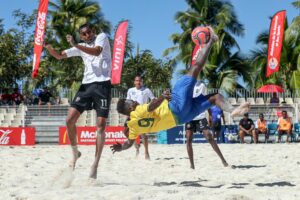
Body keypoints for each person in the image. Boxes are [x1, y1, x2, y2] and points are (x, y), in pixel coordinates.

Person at [111, 26, 250, 153]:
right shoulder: (137, 111)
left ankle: (233, 110)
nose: (133, 101)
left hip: (182, 119)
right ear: (129, 109)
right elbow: (151, 107)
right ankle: (211, 40)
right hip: (175, 106)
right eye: (130, 101)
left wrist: (120, 148)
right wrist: (163, 97)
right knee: (194, 69)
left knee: (215, 97)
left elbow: (129, 142)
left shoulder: (133, 127)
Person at [44, 23, 112, 179]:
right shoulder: (80, 46)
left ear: (93, 31)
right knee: (69, 120)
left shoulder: (101, 37)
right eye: (84, 34)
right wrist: (48, 46)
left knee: (101, 126)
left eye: (89, 32)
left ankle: (94, 165)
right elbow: (59, 56)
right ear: (81, 36)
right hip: (86, 86)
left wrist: (76, 45)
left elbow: (96, 52)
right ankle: (75, 153)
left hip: (102, 85)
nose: (87, 35)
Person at [185, 81, 229, 169]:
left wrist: (210, 114)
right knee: (189, 139)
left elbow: (206, 100)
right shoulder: (186, 85)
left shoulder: (201, 85)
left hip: (200, 115)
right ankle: (192, 165)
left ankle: (223, 160)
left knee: (209, 137)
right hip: (189, 116)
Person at [126, 75, 155, 159]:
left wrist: (150, 108)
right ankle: (137, 147)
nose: (138, 82)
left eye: (139, 81)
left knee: (143, 134)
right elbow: (128, 101)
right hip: (133, 114)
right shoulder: (130, 90)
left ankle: (146, 153)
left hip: (142, 113)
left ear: (141, 82)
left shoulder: (146, 90)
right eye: (136, 81)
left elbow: (153, 99)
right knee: (127, 132)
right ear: (134, 82)